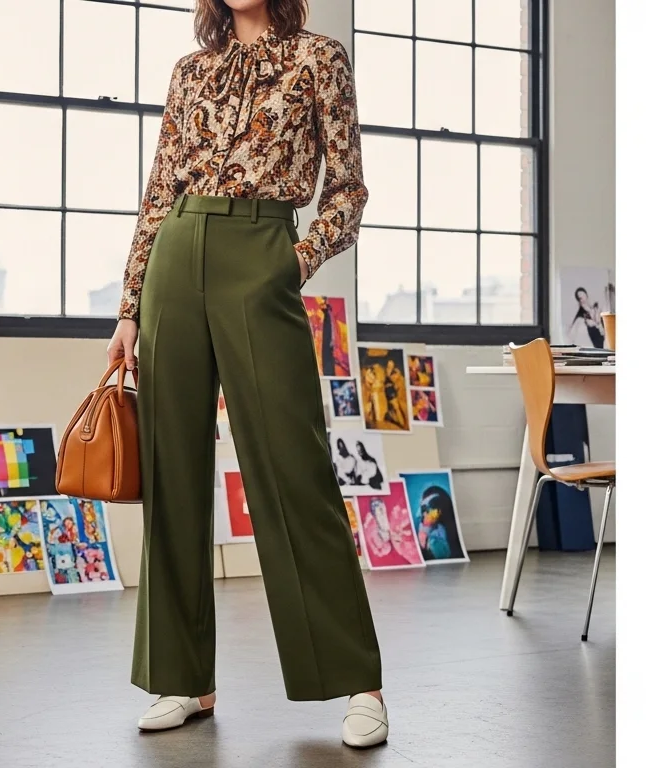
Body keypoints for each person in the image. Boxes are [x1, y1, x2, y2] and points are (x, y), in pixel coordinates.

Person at [105, 0, 387, 748]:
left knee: (294, 470)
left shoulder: (319, 57)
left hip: (262, 253)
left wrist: (294, 262)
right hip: (175, 258)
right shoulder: (189, 71)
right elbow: (159, 189)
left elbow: (349, 187)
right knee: (172, 472)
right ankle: (183, 676)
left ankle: (361, 683)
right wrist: (130, 306)